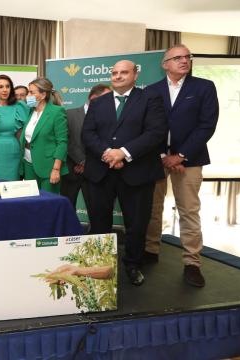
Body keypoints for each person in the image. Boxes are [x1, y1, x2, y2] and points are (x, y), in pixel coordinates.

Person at [82, 60, 167, 286]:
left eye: (124, 72)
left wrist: (124, 153)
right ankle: (99, 265)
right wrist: (108, 153)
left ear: (135, 75)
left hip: (137, 172)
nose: (118, 76)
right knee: (99, 222)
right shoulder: (98, 103)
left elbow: (156, 132)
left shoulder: (150, 99)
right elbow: (88, 133)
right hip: (101, 171)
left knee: (136, 224)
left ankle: (132, 264)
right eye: (114, 73)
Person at [144, 44, 219, 287]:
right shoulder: (151, 90)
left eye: (188, 57)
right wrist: (164, 156)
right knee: (153, 207)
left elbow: (207, 125)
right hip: (156, 158)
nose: (184, 60)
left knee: (188, 210)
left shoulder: (204, 87)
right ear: (165, 64)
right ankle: (150, 250)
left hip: (190, 159)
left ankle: (192, 263)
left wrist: (181, 155)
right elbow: (146, 126)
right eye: (178, 58)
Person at [61, 84, 112, 210]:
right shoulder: (69, 114)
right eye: (107, 98)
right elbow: (65, 141)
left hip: (95, 172)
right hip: (71, 171)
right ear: (93, 97)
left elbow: (105, 143)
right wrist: (82, 161)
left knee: (96, 211)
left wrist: (87, 164)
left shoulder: (109, 118)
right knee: (67, 208)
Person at [18, 77, 68, 193]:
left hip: (48, 167)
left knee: (48, 204)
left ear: (43, 95)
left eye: (31, 92)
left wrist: (56, 169)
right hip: (28, 164)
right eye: (28, 92)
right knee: (33, 203)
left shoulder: (57, 112)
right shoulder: (31, 112)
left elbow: (62, 143)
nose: (27, 96)